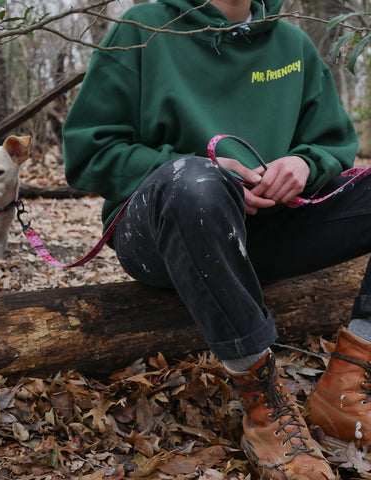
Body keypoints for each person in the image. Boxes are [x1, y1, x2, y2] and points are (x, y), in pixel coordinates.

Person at [62, 0, 371, 478]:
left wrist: (304, 164)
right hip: (165, 230)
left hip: (267, 228)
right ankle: (264, 399)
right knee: (196, 183)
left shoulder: (290, 43)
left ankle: (347, 386)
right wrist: (201, 170)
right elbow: (90, 153)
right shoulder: (141, 30)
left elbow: (332, 143)